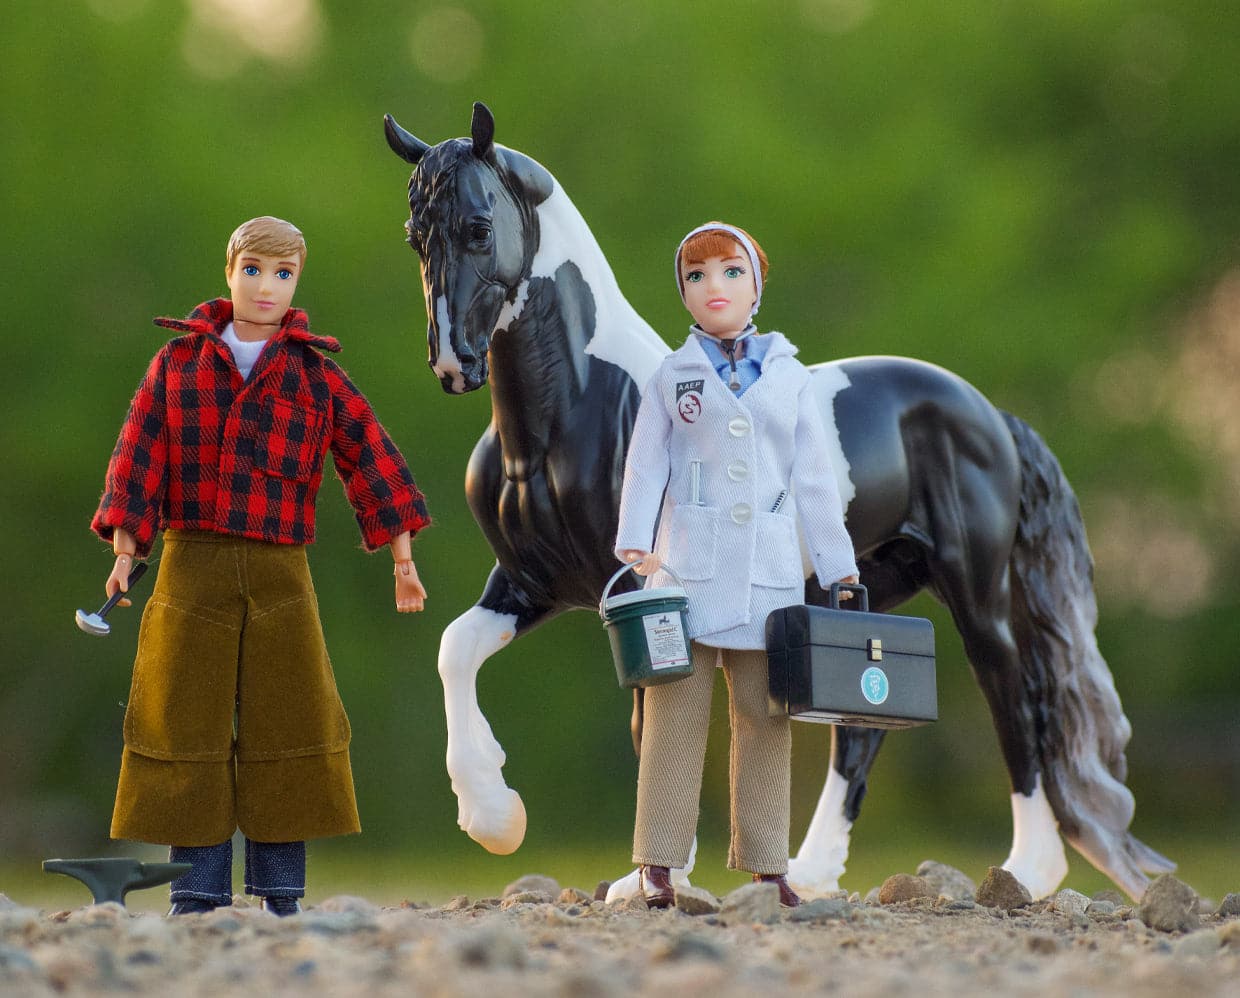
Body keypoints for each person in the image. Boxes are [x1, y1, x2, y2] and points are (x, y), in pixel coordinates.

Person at [90, 216, 430, 916]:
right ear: (229, 273)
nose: (266, 286)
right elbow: (140, 453)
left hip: (281, 571)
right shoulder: (178, 364)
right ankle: (197, 892)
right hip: (192, 564)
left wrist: (402, 553)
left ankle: (281, 894)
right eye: (253, 270)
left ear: (297, 282)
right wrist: (127, 548)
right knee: (185, 721)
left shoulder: (314, 373)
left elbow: (367, 453)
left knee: (292, 718)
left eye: (282, 274)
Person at [614, 221, 858, 908]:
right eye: (696, 276)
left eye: (729, 273)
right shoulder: (673, 374)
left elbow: (813, 477)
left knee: (765, 717)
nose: (712, 287)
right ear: (683, 294)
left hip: (768, 573)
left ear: (756, 285)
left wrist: (837, 565)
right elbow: (646, 463)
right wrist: (635, 539)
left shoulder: (789, 377)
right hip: (685, 568)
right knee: (674, 717)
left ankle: (767, 866)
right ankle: (657, 864)